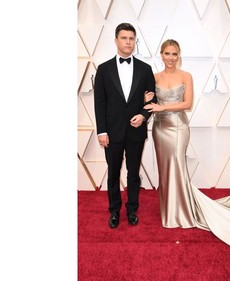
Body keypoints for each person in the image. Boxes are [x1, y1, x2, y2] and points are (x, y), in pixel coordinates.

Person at [144, 39, 230, 256]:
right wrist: (147, 98)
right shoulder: (155, 77)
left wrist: (161, 106)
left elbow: (187, 104)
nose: (170, 58)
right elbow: (149, 104)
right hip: (159, 128)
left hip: (177, 127)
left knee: (178, 167)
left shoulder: (186, 76)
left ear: (179, 55)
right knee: (165, 170)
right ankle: (169, 211)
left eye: (174, 54)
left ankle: (183, 212)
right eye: (167, 53)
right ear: (161, 54)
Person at [94, 23, 157, 229]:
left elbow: (151, 100)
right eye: (124, 38)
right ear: (116, 41)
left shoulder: (145, 69)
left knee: (133, 173)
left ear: (134, 41)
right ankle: (114, 211)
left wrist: (143, 115)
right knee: (113, 173)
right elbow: (100, 103)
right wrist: (102, 131)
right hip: (111, 132)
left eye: (131, 38)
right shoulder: (103, 69)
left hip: (136, 131)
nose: (128, 42)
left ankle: (131, 209)